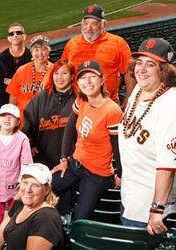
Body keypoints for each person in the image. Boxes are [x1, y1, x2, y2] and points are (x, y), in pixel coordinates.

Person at [119, 38, 176, 236]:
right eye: (139, 62)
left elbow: (168, 166)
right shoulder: (139, 89)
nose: (141, 69)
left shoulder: (174, 106)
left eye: (150, 64)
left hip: (149, 205)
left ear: (165, 70)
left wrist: (156, 211)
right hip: (130, 194)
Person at [50, 60, 123, 221]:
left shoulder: (112, 111)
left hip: (97, 175)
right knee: (41, 190)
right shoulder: (81, 101)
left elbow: (118, 148)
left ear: (102, 80)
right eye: (83, 78)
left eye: (92, 76)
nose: (87, 82)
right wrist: (64, 159)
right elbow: (69, 130)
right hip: (74, 165)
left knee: (79, 218)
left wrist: (120, 174)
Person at [22, 59, 78, 216]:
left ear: (72, 75)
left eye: (64, 73)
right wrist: (31, 144)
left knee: (64, 205)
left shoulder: (80, 99)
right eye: (56, 73)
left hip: (69, 164)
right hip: (44, 161)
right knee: (42, 204)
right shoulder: (40, 98)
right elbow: (28, 125)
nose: (59, 77)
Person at [61, 4, 134, 107]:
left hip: (108, 104)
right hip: (78, 103)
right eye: (85, 23)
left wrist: (129, 97)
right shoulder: (72, 43)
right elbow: (63, 71)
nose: (88, 28)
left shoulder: (118, 43)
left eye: (94, 24)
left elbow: (129, 72)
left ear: (103, 24)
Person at [0, 103, 33, 232]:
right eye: (4, 116)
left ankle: (12, 236)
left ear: (18, 121)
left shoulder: (22, 139)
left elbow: (26, 164)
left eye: (11, 117)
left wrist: (23, 183)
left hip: (15, 184)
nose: (7, 119)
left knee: (15, 212)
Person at [0, 163, 64, 249]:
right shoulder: (20, 203)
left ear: (47, 190)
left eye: (35, 185)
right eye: (25, 182)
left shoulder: (46, 218)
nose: (28, 190)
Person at [6, 35, 54, 128]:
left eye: (43, 49)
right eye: (36, 50)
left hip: (46, 122)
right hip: (23, 122)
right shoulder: (21, 70)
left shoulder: (55, 71)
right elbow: (12, 101)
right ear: (31, 52)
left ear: (48, 52)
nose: (40, 53)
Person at [0, 23, 32, 112]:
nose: (15, 36)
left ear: (24, 36)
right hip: (5, 102)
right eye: (12, 34)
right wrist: (21, 84)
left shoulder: (32, 56)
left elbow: (34, 81)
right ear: (8, 38)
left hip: (28, 102)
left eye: (18, 33)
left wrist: (12, 82)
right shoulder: (1, 58)